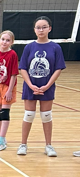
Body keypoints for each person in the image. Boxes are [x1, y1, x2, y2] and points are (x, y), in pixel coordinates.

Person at [17, 16, 66, 157]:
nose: (41, 30)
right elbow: (23, 68)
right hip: (30, 86)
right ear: (34, 30)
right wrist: (31, 85)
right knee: (29, 115)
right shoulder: (29, 47)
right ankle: (23, 144)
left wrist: (47, 85)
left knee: (46, 115)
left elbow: (58, 68)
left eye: (44, 27)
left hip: (47, 87)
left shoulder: (55, 47)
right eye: (38, 27)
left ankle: (48, 146)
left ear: (49, 28)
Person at [0, 30, 18, 151]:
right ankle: (2, 138)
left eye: (8, 40)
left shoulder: (12, 55)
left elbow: (14, 74)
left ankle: (1, 139)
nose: (5, 42)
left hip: (7, 86)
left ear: (12, 42)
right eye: (3, 39)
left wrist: (10, 90)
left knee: (5, 112)